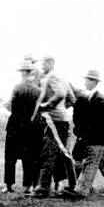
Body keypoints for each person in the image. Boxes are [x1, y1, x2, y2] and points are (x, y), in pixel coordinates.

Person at [62, 70, 104, 199]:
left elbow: (103, 120)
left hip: (96, 138)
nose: (85, 82)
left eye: (88, 80)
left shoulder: (98, 99)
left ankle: (82, 191)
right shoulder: (91, 98)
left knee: (91, 163)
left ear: (94, 82)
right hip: (97, 138)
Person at [32, 55, 73, 198]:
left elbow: (61, 94)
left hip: (54, 122)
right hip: (62, 121)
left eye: (43, 63)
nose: (42, 66)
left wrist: (48, 106)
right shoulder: (62, 77)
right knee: (62, 154)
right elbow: (71, 99)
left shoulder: (52, 77)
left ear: (50, 63)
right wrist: (61, 110)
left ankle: (43, 188)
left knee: (48, 154)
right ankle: (68, 186)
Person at [4, 59, 41, 193]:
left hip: (14, 125)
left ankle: (9, 185)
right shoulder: (37, 90)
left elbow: (11, 106)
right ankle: (27, 186)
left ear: (21, 73)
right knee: (29, 157)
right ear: (30, 73)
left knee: (10, 157)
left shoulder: (16, 88)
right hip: (30, 127)